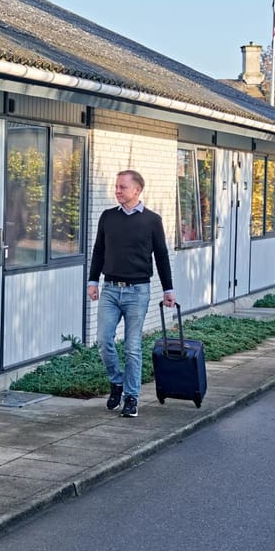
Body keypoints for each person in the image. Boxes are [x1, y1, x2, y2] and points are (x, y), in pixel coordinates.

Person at [87, 170, 175, 418]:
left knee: (132, 347)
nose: (117, 190)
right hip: (109, 290)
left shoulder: (152, 220)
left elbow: (162, 256)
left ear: (137, 190)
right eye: (116, 186)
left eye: (122, 187)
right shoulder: (107, 217)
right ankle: (117, 382)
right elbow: (98, 250)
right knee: (104, 341)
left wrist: (168, 289)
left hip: (137, 292)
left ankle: (131, 397)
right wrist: (93, 281)